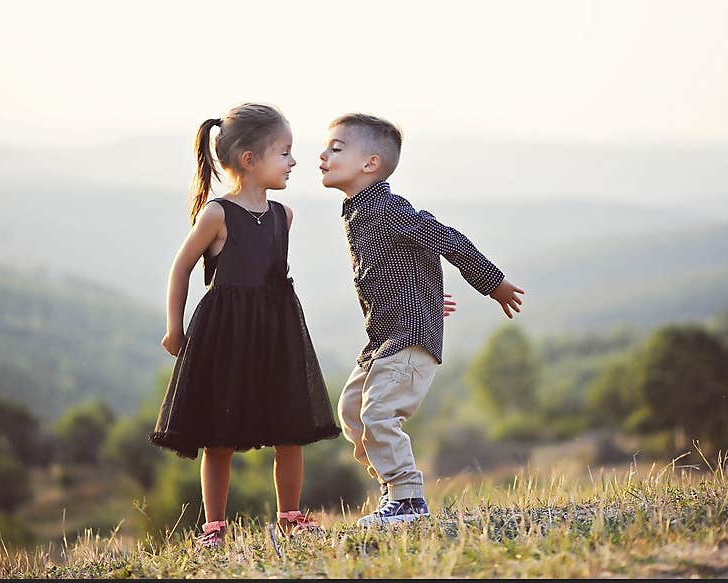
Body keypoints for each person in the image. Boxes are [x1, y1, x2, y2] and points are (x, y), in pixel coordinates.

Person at [320, 113, 525, 527]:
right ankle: (393, 491)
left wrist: (493, 282)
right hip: (383, 337)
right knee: (353, 412)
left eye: (336, 148)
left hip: (409, 338)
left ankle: (408, 499)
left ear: (370, 163)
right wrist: (425, 297)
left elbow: (445, 238)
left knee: (379, 414)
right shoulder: (357, 210)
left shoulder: (388, 208)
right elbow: (398, 267)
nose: (322, 156)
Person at [151, 103, 340, 547]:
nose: (294, 162)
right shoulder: (217, 214)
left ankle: (291, 516)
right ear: (250, 160)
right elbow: (181, 269)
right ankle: (214, 526)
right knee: (219, 436)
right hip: (225, 337)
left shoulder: (283, 216)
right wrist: (173, 328)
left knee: (288, 428)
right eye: (285, 152)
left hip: (276, 335)